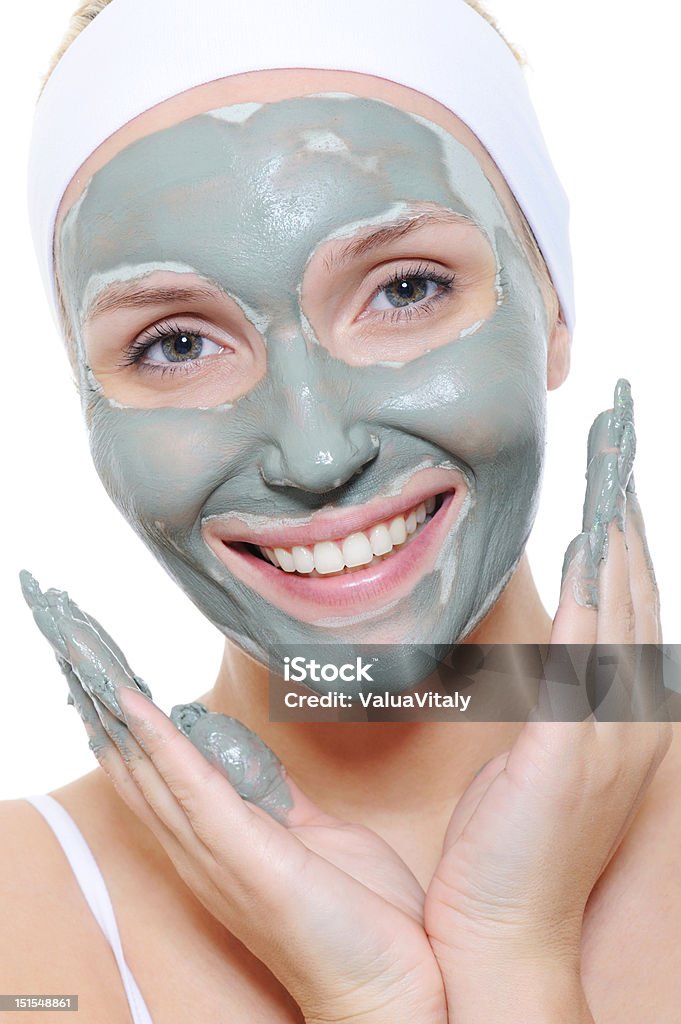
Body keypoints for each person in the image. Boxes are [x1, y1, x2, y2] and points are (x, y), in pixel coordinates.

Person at [1, 1, 679, 1021]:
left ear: (556, 304)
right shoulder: (23, 920)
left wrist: (514, 940)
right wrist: (373, 996)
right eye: (176, 344)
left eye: (405, 287)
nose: (316, 453)